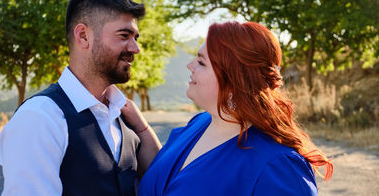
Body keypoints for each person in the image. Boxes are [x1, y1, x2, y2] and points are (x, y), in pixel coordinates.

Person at [123, 21, 333, 195]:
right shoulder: (199, 123)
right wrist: (140, 126)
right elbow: (165, 179)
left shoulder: (278, 165)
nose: (190, 65)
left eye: (202, 62)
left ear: (234, 80)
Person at [0, 0, 161, 196]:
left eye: (135, 38)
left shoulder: (125, 116)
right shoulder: (40, 118)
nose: (135, 48)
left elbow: (162, 181)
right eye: (124, 35)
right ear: (83, 36)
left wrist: (142, 129)